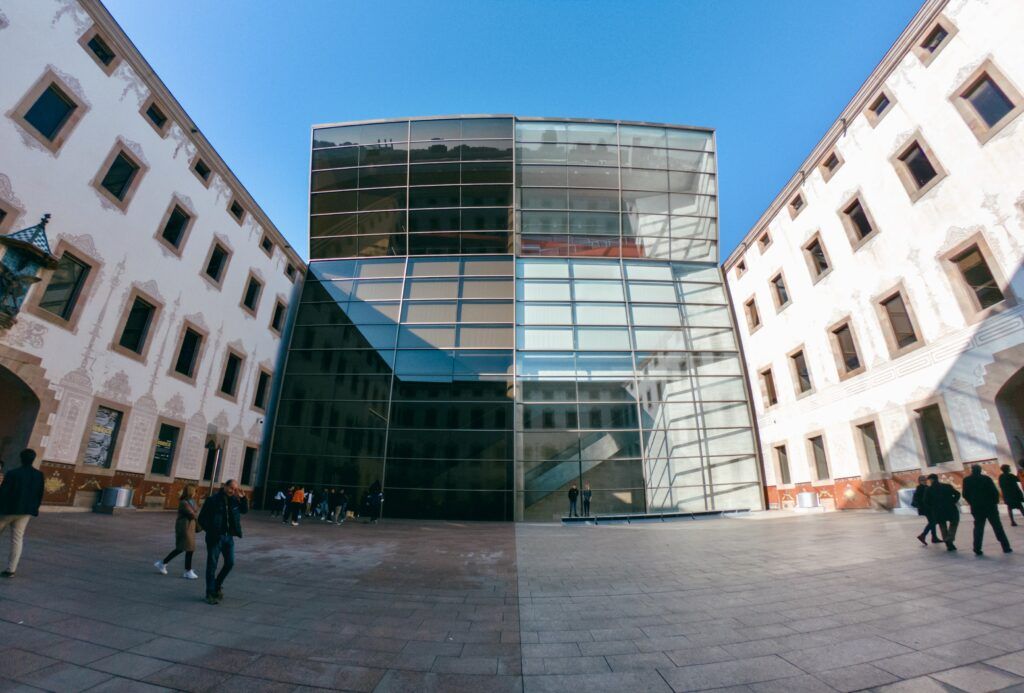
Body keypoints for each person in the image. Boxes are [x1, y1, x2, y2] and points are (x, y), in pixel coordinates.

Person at [197, 479, 248, 605]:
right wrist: (212, 530)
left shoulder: (234, 500)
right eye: (231, 488)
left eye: (235, 489)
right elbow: (202, 519)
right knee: (212, 565)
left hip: (228, 537)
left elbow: (244, 511)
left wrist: (243, 499)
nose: (232, 491)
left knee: (230, 563)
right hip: (215, 537)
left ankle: (217, 585)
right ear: (224, 486)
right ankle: (210, 593)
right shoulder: (213, 500)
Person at [0, 449, 44, 578]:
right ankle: (11, 569)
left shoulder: (13, 473)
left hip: (8, 511)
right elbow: (39, 493)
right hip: (25, 512)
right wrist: (33, 508)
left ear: (21, 458)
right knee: (17, 539)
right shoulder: (39, 475)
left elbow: (4, 493)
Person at [962, 464, 1012, 556]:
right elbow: (994, 491)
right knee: (997, 527)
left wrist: (972, 502)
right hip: (990, 506)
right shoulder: (986, 479)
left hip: (977, 507)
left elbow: (965, 494)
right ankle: (1006, 547)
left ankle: (977, 548)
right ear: (980, 470)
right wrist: (995, 502)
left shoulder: (967, 480)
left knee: (978, 528)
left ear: (972, 470)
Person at [154, 485, 200, 579]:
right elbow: (192, 514)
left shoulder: (192, 501)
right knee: (187, 548)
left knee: (184, 548)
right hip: (184, 527)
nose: (195, 493)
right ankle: (187, 570)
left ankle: (163, 563)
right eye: (194, 491)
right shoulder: (184, 502)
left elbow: (195, 511)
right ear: (190, 492)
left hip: (190, 527)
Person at [926, 473, 961, 552]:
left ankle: (948, 543)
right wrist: (953, 501)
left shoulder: (929, 489)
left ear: (931, 480)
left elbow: (926, 501)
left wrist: (932, 507)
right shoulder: (946, 486)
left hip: (938, 510)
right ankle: (950, 539)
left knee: (942, 526)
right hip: (950, 508)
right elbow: (957, 494)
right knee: (954, 523)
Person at [911, 475, 940, 546]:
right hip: (926, 508)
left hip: (929, 508)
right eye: (923, 480)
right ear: (920, 481)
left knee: (932, 522)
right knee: (933, 521)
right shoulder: (920, 488)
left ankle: (934, 537)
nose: (925, 481)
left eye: (925, 480)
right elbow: (920, 499)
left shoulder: (926, 487)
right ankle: (923, 535)